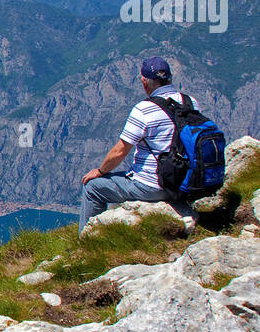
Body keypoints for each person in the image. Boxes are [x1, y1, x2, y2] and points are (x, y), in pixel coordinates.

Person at [79, 56, 190, 232]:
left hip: (153, 186)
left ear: (144, 82)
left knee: (92, 188)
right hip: (186, 182)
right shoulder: (189, 102)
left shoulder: (144, 109)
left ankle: (86, 244)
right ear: (169, 78)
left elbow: (120, 152)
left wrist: (100, 171)